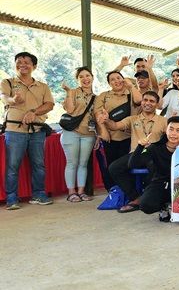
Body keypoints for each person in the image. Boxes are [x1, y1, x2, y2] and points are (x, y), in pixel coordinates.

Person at [97, 91, 168, 213]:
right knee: (114, 168)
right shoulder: (132, 119)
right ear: (141, 102)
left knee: (154, 167)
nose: (148, 103)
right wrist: (106, 120)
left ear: (157, 104)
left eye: (152, 101)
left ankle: (152, 198)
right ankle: (136, 198)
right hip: (136, 153)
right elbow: (114, 126)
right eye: (145, 100)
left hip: (153, 154)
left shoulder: (163, 121)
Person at [1, 52, 55, 209]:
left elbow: (49, 105)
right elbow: (3, 96)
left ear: (34, 66)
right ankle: (12, 198)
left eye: (26, 62)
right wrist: (13, 100)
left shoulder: (43, 86)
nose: (22, 64)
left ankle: (39, 194)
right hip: (14, 130)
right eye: (19, 62)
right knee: (12, 165)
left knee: (39, 164)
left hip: (37, 130)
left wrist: (34, 112)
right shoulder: (8, 82)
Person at [129, 116, 179, 222]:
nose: (173, 133)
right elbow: (133, 164)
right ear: (166, 130)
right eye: (171, 129)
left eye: (178, 130)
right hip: (160, 184)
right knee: (146, 205)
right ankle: (165, 206)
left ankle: (175, 207)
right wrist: (140, 147)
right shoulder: (155, 148)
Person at [93, 71, 142, 191]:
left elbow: (139, 101)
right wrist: (103, 131)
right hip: (110, 136)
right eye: (112, 80)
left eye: (119, 78)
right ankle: (113, 191)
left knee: (128, 165)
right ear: (109, 83)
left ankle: (128, 191)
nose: (116, 81)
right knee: (111, 165)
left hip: (129, 136)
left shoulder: (131, 93)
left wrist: (131, 86)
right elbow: (98, 114)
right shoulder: (103, 96)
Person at [60, 67, 97, 203]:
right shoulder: (73, 92)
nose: (85, 79)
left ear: (92, 77)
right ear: (77, 80)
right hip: (71, 132)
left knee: (83, 164)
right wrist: (69, 92)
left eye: (87, 75)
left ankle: (81, 192)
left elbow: (96, 118)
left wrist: (98, 135)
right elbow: (69, 109)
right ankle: (71, 193)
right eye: (81, 77)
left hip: (89, 134)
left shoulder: (96, 97)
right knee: (72, 163)